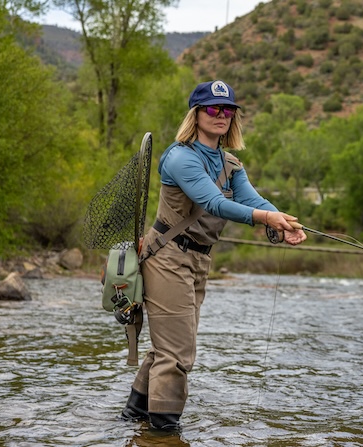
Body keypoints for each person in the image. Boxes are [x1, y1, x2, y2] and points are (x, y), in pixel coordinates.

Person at [119, 80, 306, 431]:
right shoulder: (179, 157)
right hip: (168, 258)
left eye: (228, 110)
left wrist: (284, 221)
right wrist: (267, 219)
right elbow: (214, 203)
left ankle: (133, 418)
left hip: (199, 261)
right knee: (178, 354)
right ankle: (164, 430)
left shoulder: (231, 164)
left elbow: (251, 200)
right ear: (197, 114)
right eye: (213, 109)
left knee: (168, 348)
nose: (221, 115)